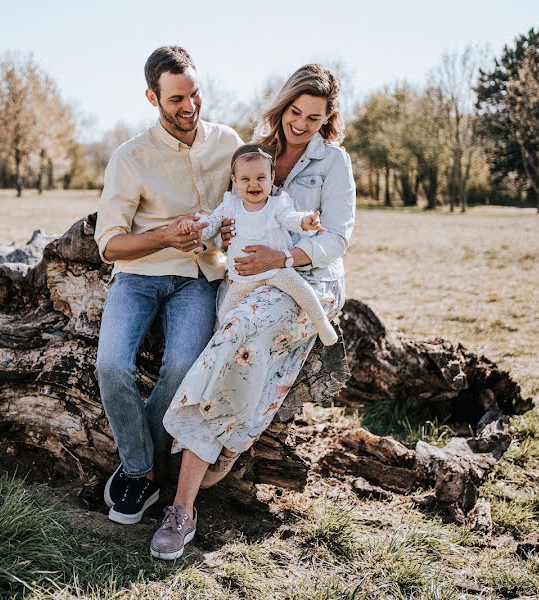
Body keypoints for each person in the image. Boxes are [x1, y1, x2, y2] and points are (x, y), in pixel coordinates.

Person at [149, 64, 355, 560]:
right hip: (246, 280)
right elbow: (230, 216)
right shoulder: (254, 153)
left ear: (328, 119)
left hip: (308, 282)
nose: (301, 124)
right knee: (232, 338)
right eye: (295, 111)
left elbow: (337, 239)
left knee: (240, 331)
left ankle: (182, 503)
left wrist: (282, 256)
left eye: (314, 117)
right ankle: (225, 442)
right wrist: (224, 237)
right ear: (282, 105)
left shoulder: (334, 162)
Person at [94, 46, 243, 525]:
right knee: (112, 366)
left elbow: (247, 203)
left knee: (180, 366)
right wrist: (165, 234)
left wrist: (234, 227)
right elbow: (109, 246)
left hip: (199, 277)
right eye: (177, 98)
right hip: (138, 276)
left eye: (195, 93)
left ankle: (142, 468)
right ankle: (141, 468)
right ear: (152, 98)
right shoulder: (131, 156)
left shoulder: (227, 142)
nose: (191, 106)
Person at [178, 143, 338, 346]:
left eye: (260, 178)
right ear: (235, 181)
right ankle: (215, 348)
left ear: (272, 177)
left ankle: (322, 325)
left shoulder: (277, 205)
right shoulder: (230, 205)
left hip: (276, 270)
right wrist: (196, 226)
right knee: (225, 314)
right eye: (245, 179)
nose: (253, 184)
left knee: (303, 291)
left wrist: (305, 221)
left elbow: (290, 218)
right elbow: (211, 224)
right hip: (243, 277)